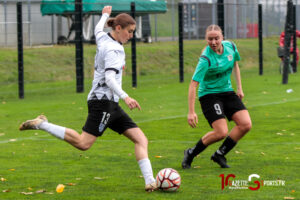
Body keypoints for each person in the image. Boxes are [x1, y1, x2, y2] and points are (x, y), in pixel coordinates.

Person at [19, 6, 157, 192]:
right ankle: (42, 124)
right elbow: (109, 79)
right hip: (103, 103)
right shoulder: (114, 50)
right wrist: (126, 96)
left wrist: (105, 15)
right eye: (129, 31)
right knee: (84, 143)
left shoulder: (104, 38)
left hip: (110, 104)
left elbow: (97, 29)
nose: (131, 35)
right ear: (118, 29)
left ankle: (150, 182)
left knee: (141, 139)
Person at [181, 25, 252, 169]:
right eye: (210, 39)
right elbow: (193, 85)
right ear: (206, 39)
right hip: (209, 95)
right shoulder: (205, 59)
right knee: (221, 132)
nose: (213, 42)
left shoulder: (231, 46)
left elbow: (235, 65)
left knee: (245, 124)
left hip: (227, 92)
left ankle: (220, 154)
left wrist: (239, 87)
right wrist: (191, 111)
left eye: (216, 38)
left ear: (222, 38)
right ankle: (191, 152)